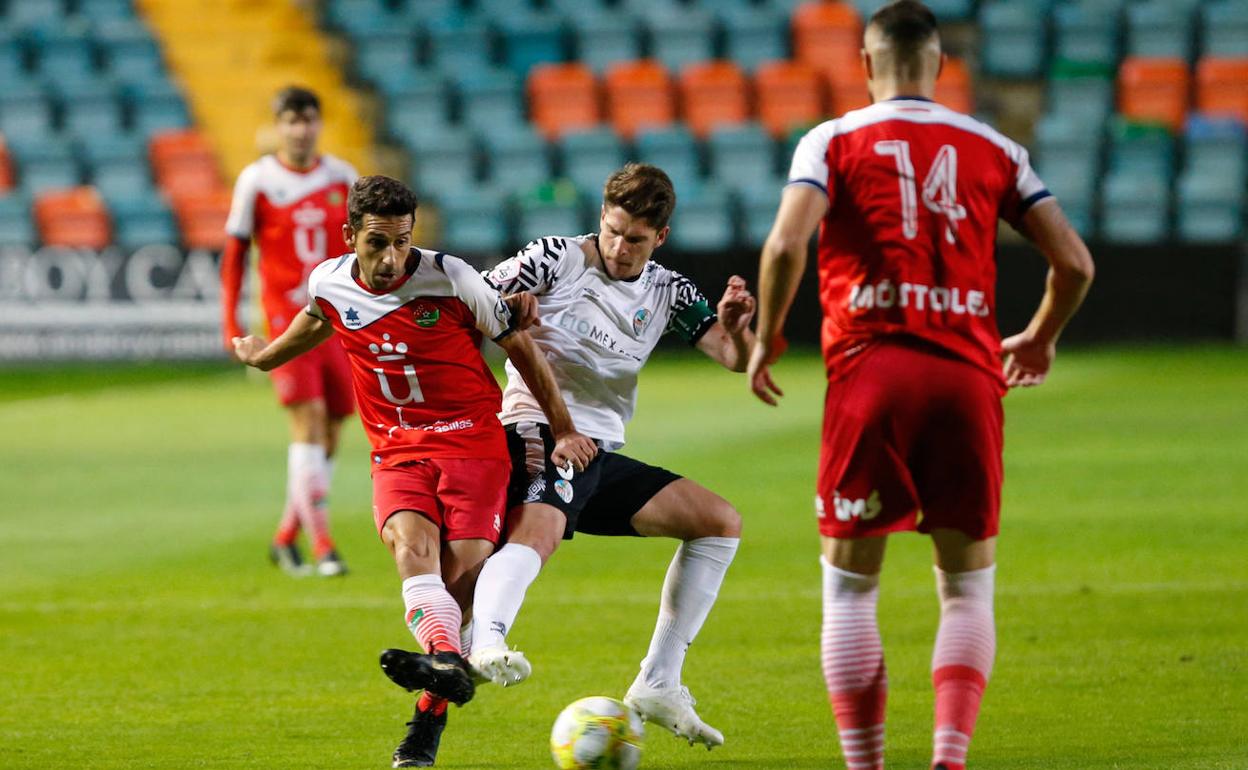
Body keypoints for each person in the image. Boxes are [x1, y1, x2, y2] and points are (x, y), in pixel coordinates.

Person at [747, 3, 1094, 769]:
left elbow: (783, 245)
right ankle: (948, 757)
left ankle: (866, 765)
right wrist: (1039, 336)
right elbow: (1074, 265)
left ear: (866, 67)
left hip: (871, 376)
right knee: (967, 589)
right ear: (941, 68)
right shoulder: (996, 147)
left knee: (850, 591)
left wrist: (771, 333)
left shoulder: (832, 140)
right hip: (968, 380)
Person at [231, 175, 597, 768]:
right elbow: (316, 318)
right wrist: (264, 354)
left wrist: (564, 429)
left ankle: (432, 701)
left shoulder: (452, 278)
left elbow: (522, 349)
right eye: (377, 242)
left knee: (466, 577)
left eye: (402, 241)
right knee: (409, 546)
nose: (391, 257)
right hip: (396, 449)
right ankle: (446, 675)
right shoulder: (329, 281)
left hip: (472, 443)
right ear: (350, 235)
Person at [467, 163, 754, 750]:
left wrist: (739, 330)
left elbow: (735, 358)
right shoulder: (554, 257)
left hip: (597, 448)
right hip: (537, 428)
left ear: (662, 238)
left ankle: (659, 681)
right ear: (601, 216)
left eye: (637, 239)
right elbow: (472, 295)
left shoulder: (668, 290)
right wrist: (504, 305)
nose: (621, 249)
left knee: (718, 523)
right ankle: (487, 640)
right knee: (537, 534)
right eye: (614, 231)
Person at [221, 86, 358, 577]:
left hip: (338, 321)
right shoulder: (257, 181)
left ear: (319, 124)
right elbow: (235, 256)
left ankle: (285, 537)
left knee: (335, 427)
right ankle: (323, 547)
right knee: (310, 423)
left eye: (308, 119)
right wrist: (232, 324)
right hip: (286, 322)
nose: (300, 129)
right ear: (278, 126)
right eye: (291, 120)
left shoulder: (343, 177)